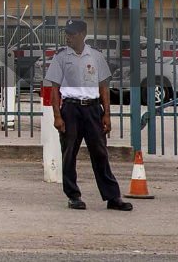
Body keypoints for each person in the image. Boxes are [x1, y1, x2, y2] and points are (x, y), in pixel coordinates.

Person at [44, 19, 132, 211]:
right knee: (69, 154)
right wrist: (57, 116)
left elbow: (104, 87)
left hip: (92, 109)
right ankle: (73, 196)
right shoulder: (60, 58)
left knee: (100, 153)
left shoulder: (96, 56)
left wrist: (106, 114)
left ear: (83, 34)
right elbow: (54, 89)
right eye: (67, 33)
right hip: (71, 110)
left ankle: (112, 197)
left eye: (73, 33)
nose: (69, 37)